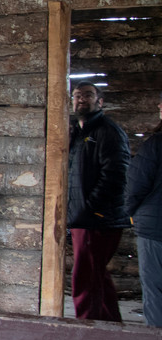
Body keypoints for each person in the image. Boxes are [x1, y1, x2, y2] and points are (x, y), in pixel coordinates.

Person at [67, 81, 129, 322]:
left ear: (100, 101)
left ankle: (85, 327)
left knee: (84, 277)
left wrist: (88, 208)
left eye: (88, 95)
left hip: (97, 219)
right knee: (96, 275)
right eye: (77, 95)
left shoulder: (107, 131)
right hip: (84, 217)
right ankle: (111, 324)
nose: (81, 99)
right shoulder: (79, 133)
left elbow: (115, 176)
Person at [125, 93, 162, 327]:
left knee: (156, 292)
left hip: (155, 230)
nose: (159, 105)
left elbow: (135, 186)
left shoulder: (156, 144)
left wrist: (128, 214)